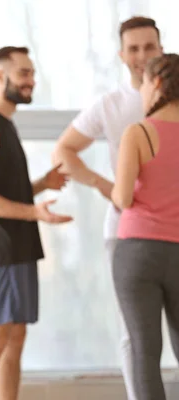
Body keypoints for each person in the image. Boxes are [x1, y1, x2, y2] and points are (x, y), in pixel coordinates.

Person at [51, 16, 163, 400]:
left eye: (149, 47)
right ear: (121, 55)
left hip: (172, 230)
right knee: (134, 335)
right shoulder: (111, 105)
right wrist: (104, 184)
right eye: (133, 49)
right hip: (125, 230)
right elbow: (63, 150)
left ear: (161, 50)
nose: (141, 56)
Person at [0, 46, 72, 400]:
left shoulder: (5, 124)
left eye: (31, 73)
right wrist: (35, 212)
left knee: (15, 338)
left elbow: (5, 187)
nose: (31, 81)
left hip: (20, 247)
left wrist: (41, 184)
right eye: (23, 73)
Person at [111, 53, 179, 400]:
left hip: (139, 252)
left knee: (144, 351)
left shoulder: (138, 132)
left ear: (155, 84)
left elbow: (122, 197)